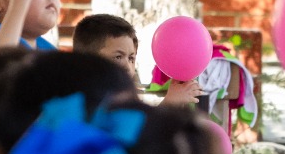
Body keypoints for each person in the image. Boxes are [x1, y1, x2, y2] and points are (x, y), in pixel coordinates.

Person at [73, 12, 203, 106]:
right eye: (118, 57)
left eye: (131, 58)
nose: (127, 66)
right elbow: (136, 137)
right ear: (87, 61)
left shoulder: (124, 98)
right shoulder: (83, 101)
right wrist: (169, 103)